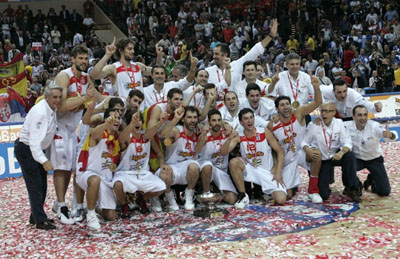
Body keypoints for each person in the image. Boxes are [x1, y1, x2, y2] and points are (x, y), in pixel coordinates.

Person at [51, 45, 97, 225]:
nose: (84, 62)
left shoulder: (87, 78)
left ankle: (65, 203)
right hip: (61, 125)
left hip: (77, 127)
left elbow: (93, 101)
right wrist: (84, 99)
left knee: (75, 167)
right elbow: (59, 106)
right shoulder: (64, 76)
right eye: (80, 58)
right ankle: (62, 207)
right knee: (62, 168)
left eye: (86, 59)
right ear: (72, 59)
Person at [15, 84, 63, 230]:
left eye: (60, 97)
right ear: (47, 97)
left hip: (36, 150)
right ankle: (40, 221)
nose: (58, 100)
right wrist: (44, 160)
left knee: (42, 185)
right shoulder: (41, 113)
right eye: (55, 97)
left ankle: (35, 216)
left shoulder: (51, 109)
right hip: (27, 150)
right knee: (35, 185)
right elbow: (34, 143)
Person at [269, 76, 323, 203]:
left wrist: (316, 88)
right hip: (286, 159)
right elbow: (271, 148)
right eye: (282, 105)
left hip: (301, 151)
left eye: (287, 104)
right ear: (277, 109)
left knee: (316, 155)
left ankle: (313, 190)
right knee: (286, 196)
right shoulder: (272, 125)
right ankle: (291, 188)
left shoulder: (298, 113)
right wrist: (276, 166)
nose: (286, 107)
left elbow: (317, 102)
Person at [301, 102, 362, 202]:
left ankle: (352, 188)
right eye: (322, 111)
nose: (324, 114)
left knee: (349, 156)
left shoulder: (339, 123)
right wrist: (308, 150)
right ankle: (326, 181)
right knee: (324, 195)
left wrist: (341, 152)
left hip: (335, 155)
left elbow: (347, 143)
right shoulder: (314, 124)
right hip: (322, 159)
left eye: (327, 111)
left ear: (334, 112)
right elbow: (304, 142)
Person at [228, 108, 287, 208]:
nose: (249, 121)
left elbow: (280, 151)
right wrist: (229, 138)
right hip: (251, 169)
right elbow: (224, 152)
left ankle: (268, 192)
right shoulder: (239, 136)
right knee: (234, 162)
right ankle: (243, 195)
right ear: (241, 122)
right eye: (246, 119)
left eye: (251, 118)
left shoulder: (264, 132)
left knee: (281, 200)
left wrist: (278, 172)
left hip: (267, 172)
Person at [113, 110, 168, 216]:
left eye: (139, 120)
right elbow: (121, 140)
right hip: (125, 173)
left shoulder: (146, 137)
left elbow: (151, 132)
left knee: (161, 187)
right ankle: (125, 204)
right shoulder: (127, 138)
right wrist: (132, 124)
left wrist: (160, 122)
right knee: (117, 185)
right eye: (135, 120)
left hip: (143, 173)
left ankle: (139, 199)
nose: (137, 122)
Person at [206, 19, 278, 99]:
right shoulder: (208, 71)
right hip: (218, 107)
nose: (213, 57)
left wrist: (270, 36)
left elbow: (254, 51)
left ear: (225, 55)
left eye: (216, 54)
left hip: (236, 105)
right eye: (213, 54)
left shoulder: (237, 65)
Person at [76, 109, 121, 230]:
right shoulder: (97, 133)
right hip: (87, 173)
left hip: (106, 177)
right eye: (113, 117)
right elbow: (95, 133)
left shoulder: (116, 137)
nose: (116, 120)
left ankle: (95, 206)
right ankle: (91, 215)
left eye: (118, 117)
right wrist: (106, 124)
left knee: (111, 216)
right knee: (95, 180)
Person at [157, 106, 202, 210]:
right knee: (164, 172)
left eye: (195, 117)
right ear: (183, 119)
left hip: (187, 169)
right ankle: (170, 199)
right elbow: (163, 134)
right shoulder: (177, 130)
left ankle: (189, 196)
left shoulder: (198, 131)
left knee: (194, 166)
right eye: (189, 117)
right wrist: (175, 118)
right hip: (172, 167)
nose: (193, 120)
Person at [90, 37, 163, 99]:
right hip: (123, 111)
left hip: (140, 109)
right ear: (121, 50)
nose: (133, 51)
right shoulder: (113, 68)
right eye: (129, 49)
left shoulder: (138, 66)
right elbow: (94, 75)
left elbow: (157, 71)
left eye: (133, 49)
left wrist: (159, 56)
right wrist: (107, 55)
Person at [344, 105, 393, 196]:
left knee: (384, 192)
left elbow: (382, 131)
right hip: (357, 159)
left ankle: (372, 180)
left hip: (374, 159)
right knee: (347, 162)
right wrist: (318, 120)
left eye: (365, 115)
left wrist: (389, 135)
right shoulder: (346, 126)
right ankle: (355, 185)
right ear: (353, 116)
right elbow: (333, 123)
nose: (363, 118)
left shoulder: (374, 126)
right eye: (359, 115)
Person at [196, 109, 238, 204]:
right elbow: (196, 150)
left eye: (219, 120)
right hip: (206, 168)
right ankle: (206, 193)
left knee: (232, 199)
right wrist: (203, 135)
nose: (217, 123)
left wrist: (230, 135)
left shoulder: (226, 134)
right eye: (214, 120)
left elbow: (225, 151)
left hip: (221, 171)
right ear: (209, 122)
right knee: (207, 166)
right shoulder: (205, 134)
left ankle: (215, 190)